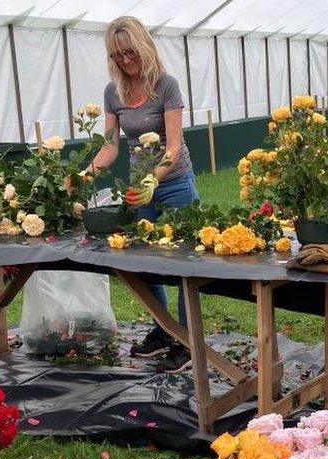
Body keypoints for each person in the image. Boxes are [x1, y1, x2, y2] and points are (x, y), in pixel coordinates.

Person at [87, 16, 197, 372]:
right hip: (139, 187)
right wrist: (82, 175)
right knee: (145, 261)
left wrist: (154, 179)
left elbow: (174, 148)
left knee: (184, 262)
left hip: (175, 181)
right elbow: (109, 149)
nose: (125, 60)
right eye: (118, 55)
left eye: (130, 52)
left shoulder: (167, 86)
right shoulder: (113, 92)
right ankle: (163, 331)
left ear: (144, 47)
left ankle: (187, 342)